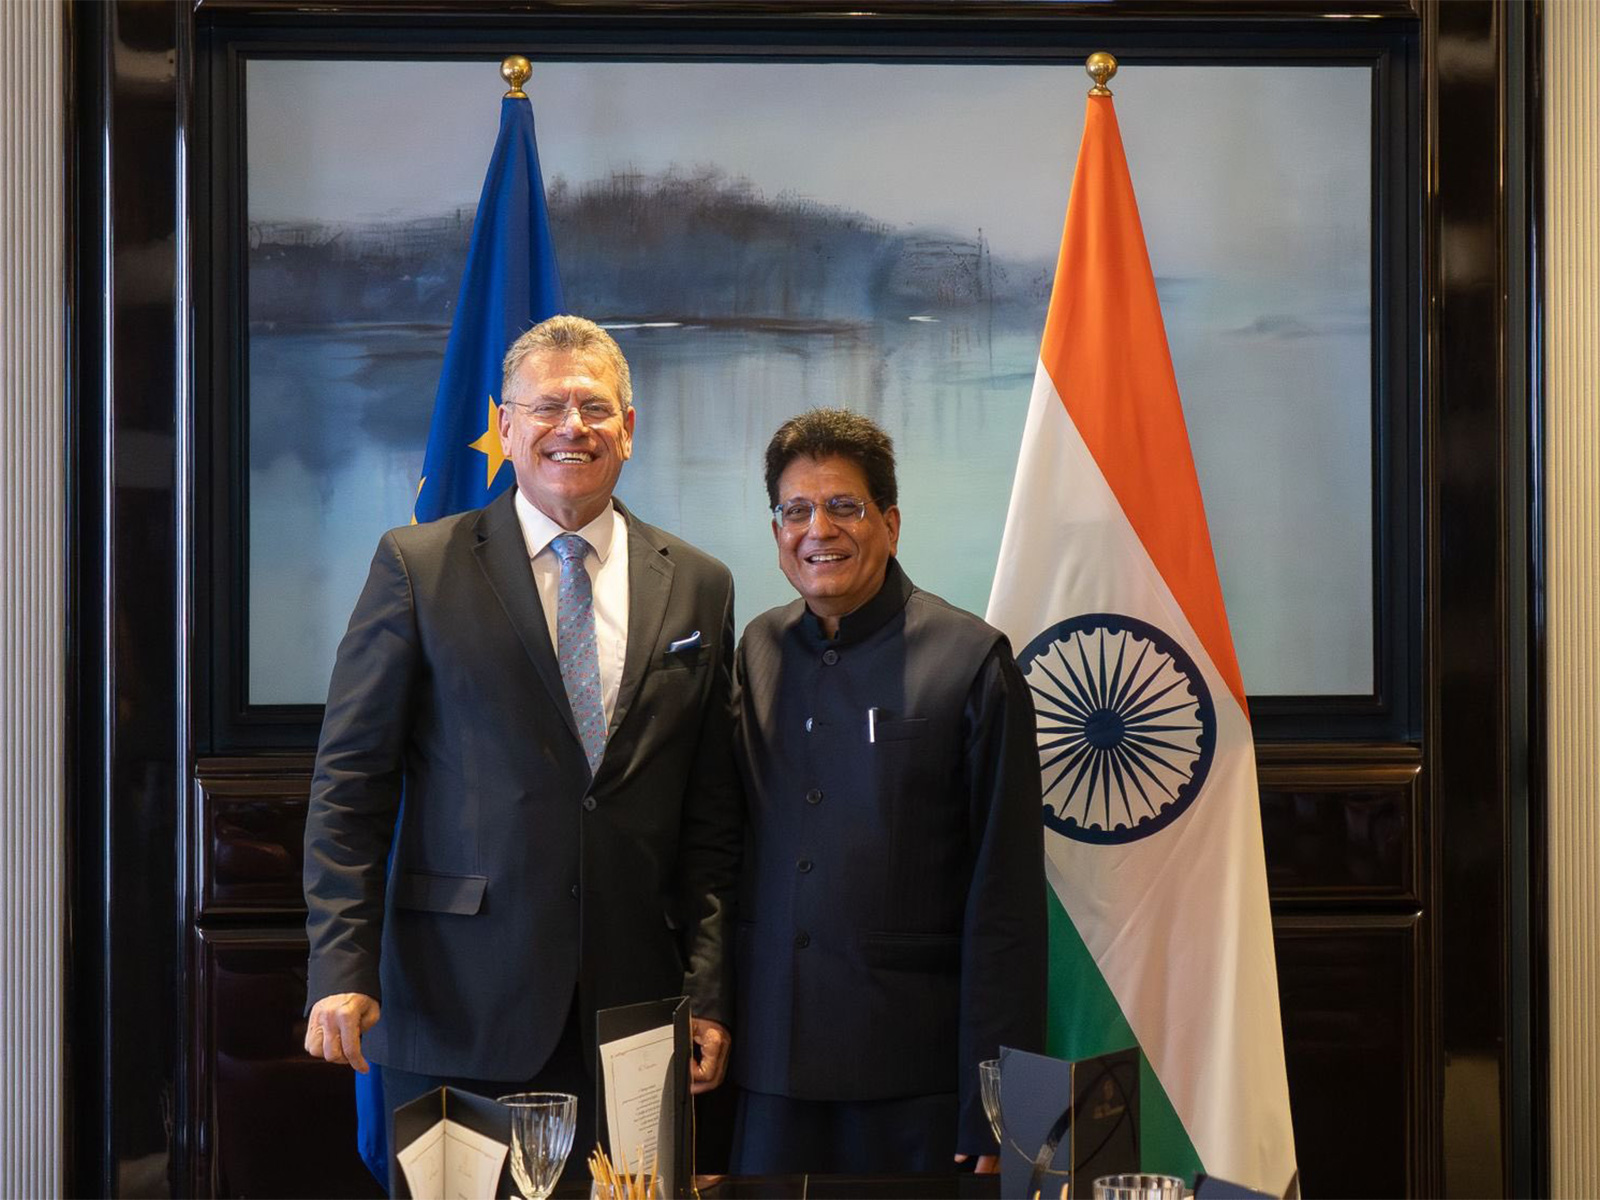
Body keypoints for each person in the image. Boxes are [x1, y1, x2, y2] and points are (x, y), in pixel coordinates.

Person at [301, 315, 740, 1165]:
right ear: (506, 428)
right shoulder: (419, 567)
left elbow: (711, 822)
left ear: (630, 429)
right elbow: (351, 787)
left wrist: (709, 992)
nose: (572, 427)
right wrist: (341, 968)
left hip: (636, 1021)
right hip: (455, 1008)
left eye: (595, 407)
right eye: (546, 408)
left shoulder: (697, 585)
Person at [730, 408, 1046, 1176]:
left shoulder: (971, 659)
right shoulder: (757, 650)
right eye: (795, 510)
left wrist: (997, 1103)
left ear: (890, 522)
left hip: (916, 1083)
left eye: (844, 506)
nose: (819, 530)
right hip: (771, 1077)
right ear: (776, 529)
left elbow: (1005, 903)